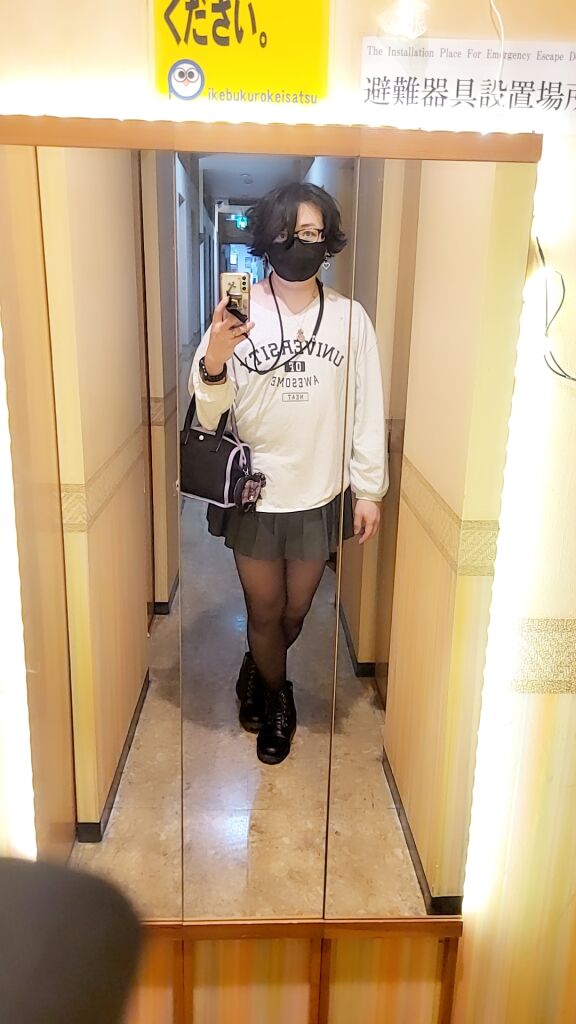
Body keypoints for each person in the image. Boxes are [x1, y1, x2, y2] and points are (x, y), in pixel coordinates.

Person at [190, 181, 388, 766]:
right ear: (267, 239)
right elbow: (208, 413)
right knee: (263, 610)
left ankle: (259, 665)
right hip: (255, 494)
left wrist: (369, 489)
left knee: (295, 612)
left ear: (327, 241)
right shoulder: (240, 313)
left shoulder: (350, 319)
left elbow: (366, 407)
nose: (300, 244)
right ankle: (280, 698)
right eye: (288, 233)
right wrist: (216, 356)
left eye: (311, 233)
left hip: (318, 493)